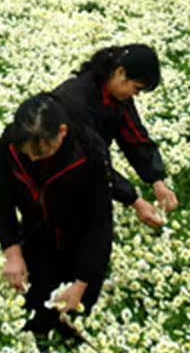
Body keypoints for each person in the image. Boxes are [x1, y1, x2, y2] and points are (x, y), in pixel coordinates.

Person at [0, 92, 113, 353]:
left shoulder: (88, 151)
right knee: (34, 313)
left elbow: (100, 224)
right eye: (27, 153)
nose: (34, 159)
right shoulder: (8, 147)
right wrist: (12, 253)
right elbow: (1, 202)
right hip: (37, 236)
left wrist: (81, 283)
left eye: (42, 152)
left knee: (76, 318)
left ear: (62, 132)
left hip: (79, 240)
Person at [51, 44, 178, 228]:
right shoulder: (76, 101)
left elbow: (135, 138)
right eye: (137, 88)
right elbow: (91, 162)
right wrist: (135, 200)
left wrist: (157, 180)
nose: (136, 95)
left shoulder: (115, 95)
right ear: (120, 72)